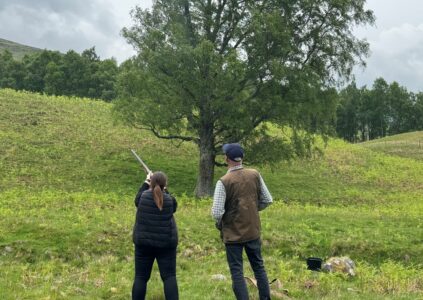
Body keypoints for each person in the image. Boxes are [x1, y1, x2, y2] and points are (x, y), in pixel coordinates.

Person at [212, 143, 273, 300]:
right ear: (242, 158)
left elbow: (217, 212)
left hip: (233, 234)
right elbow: (268, 200)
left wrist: (221, 223)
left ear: (227, 159)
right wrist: (252, 210)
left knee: (236, 271)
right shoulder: (255, 174)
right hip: (253, 231)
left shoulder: (223, 181)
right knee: (259, 267)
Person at [132, 171, 179, 300]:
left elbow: (136, 200)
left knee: (141, 277)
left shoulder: (143, 197)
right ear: (165, 184)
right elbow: (174, 206)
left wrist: (146, 182)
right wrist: (164, 189)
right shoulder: (169, 200)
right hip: (166, 244)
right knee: (169, 277)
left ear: (151, 183)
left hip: (143, 244)